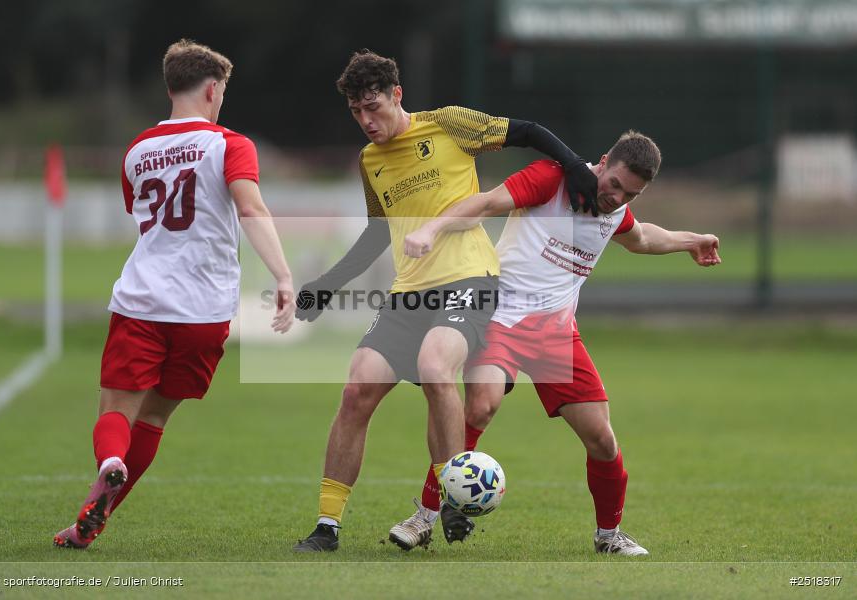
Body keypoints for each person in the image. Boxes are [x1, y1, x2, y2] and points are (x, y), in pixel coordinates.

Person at [292, 49, 599, 552]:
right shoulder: (370, 161)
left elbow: (528, 131)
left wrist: (574, 166)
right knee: (355, 392)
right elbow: (377, 234)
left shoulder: (449, 124)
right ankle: (327, 526)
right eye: (356, 113)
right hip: (408, 293)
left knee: (437, 365)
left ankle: (453, 499)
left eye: (375, 107)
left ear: (398, 95)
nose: (367, 121)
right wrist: (328, 284)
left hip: (469, 281)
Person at [390, 130, 721, 554]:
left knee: (602, 440)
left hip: (557, 335)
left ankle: (608, 536)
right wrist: (433, 230)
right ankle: (424, 517)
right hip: (501, 320)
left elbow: (642, 238)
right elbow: (488, 202)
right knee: (480, 405)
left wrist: (691, 241)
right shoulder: (551, 178)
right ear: (602, 162)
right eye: (615, 184)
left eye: (630, 194)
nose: (617, 198)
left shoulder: (614, 210)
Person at [53, 39, 295, 549]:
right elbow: (251, 210)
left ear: (171, 87)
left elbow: (144, 218)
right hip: (205, 310)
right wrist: (282, 276)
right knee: (157, 417)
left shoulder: (138, 150)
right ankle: (89, 524)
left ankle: (110, 464)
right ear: (213, 89)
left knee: (116, 411)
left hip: (143, 299)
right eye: (223, 90)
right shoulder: (230, 143)